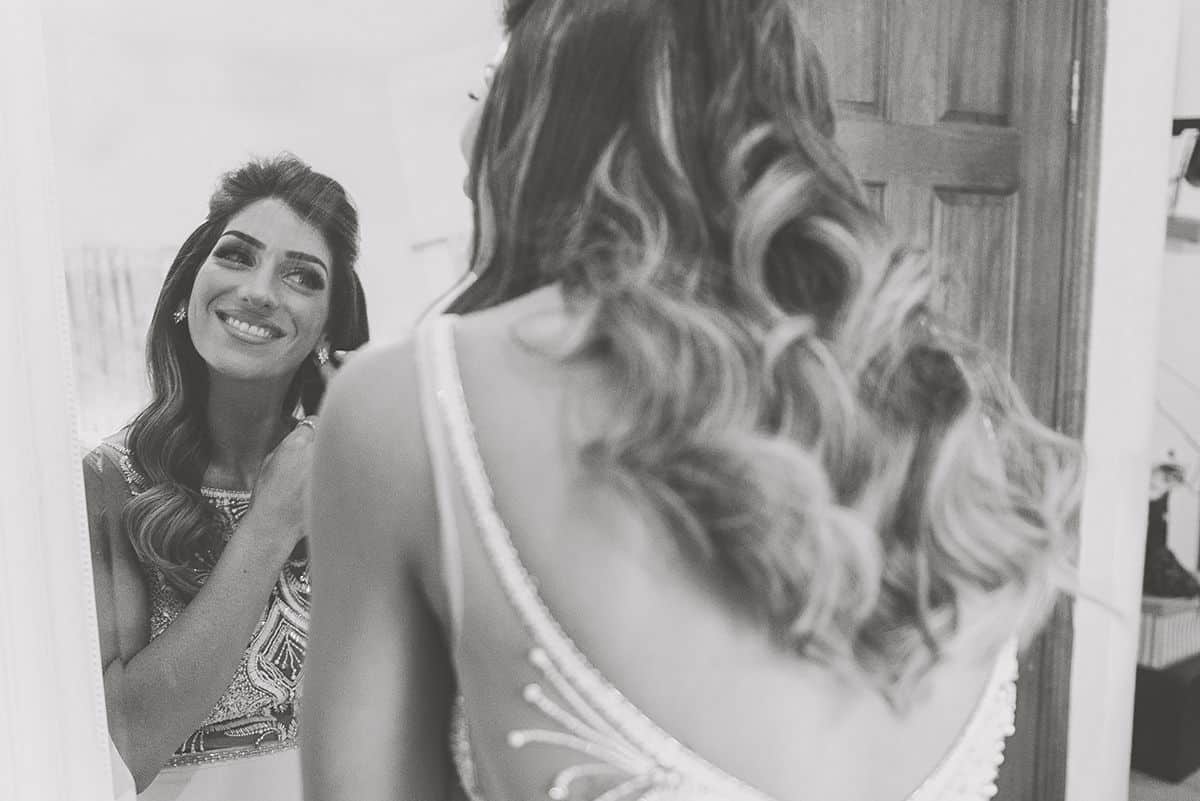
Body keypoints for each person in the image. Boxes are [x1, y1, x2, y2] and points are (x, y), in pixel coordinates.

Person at [302, 3, 1081, 801]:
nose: (469, 136)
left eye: (490, 86)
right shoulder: (947, 416)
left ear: (540, 114)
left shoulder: (417, 404)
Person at [84, 154, 368, 800]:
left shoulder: (358, 476)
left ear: (327, 330)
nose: (260, 291)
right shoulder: (109, 483)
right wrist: (269, 524)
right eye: (237, 256)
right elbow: (123, 751)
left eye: (301, 276)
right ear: (188, 289)